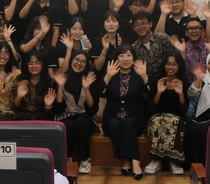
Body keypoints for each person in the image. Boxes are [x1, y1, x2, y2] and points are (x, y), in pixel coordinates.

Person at [101, 44, 150, 179]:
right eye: (122, 55)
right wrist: (108, 77)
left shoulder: (139, 74)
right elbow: (99, 93)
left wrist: (145, 77)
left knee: (128, 123)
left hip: (135, 118)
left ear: (134, 58)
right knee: (115, 124)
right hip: (112, 117)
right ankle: (127, 160)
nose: (125, 59)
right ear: (117, 59)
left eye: (129, 55)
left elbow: (151, 94)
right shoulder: (111, 73)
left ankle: (134, 161)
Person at [52, 50, 99, 174]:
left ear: (86, 64)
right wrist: (60, 86)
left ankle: (85, 159)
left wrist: (86, 89)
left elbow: (93, 110)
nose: (79, 63)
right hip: (65, 116)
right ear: (71, 60)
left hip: (85, 117)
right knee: (67, 125)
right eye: (76, 59)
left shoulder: (90, 79)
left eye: (83, 61)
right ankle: (67, 159)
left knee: (81, 123)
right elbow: (57, 109)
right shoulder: (62, 78)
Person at [144, 53, 188, 175]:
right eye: (168, 64)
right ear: (164, 65)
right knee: (159, 121)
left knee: (174, 121)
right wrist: (159, 92)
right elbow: (151, 108)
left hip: (177, 117)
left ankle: (173, 161)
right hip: (156, 116)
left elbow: (184, 110)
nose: (171, 67)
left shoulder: (184, 82)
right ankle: (156, 161)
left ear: (179, 66)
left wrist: (180, 94)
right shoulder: (157, 80)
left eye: (174, 64)